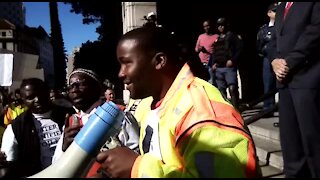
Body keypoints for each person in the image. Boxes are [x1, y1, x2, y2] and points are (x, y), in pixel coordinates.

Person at [94, 26, 259, 178]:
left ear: (159, 61)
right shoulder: (150, 105)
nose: (120, 74)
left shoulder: (199, 109)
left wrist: (137, 168)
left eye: (127, 63)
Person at [52, 68, 140, 177]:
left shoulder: (118, 114)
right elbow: (56, 167)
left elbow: (137, 157)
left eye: (80, 84)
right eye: (71, 86)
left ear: (97, 88)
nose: (74, 90)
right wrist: (64, 149)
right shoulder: (70, 123)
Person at [269, 2, 320, 178]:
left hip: (307, 79)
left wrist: (289, 62)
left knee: (313, 141)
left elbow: (314, 34)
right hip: (285, 82)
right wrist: (275, 60)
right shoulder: (282, 6)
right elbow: (274, 41)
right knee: (291, 144)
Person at [0, 78, 74, 177]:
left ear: (48, 93)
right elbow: (10, 164)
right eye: (31, 97)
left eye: (40, 94)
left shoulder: (69, 115)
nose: (37, 100)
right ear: (23, 99)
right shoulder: (16, 127)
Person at [211, 17, 243, 109]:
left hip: (229, 67)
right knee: (221, 91)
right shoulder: (217, 39)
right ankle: (226, 110)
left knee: (232, 88)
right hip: (219, 68)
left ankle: (236, 109)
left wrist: (233, 60)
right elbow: (215, 52)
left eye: (222, 25)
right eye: (219, 26)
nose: (221, 27)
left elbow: (239, 49)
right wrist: (214, 63)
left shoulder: (232, 36)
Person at [256, 3, 278, 116]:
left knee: (280, 83)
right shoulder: (264, 29)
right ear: (269, 13)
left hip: (280, 57)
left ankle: (278, 106)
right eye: (274, 11)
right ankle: (268, 107)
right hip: (267, 58)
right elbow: (259, 44)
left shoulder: (282, 26)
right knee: (268, 83)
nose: (277, 13)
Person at [195, 20, 218, 86]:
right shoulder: (201, 36)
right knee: (202, 83)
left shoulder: (216, 36)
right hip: (201, 63)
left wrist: (207, 51)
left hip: (211, 63)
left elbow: (218, 51)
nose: (206, 28)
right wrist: (199, 49)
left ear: (211, 26)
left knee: (211, 84)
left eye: (207, 26)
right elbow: (196, 49)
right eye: (204, 26)